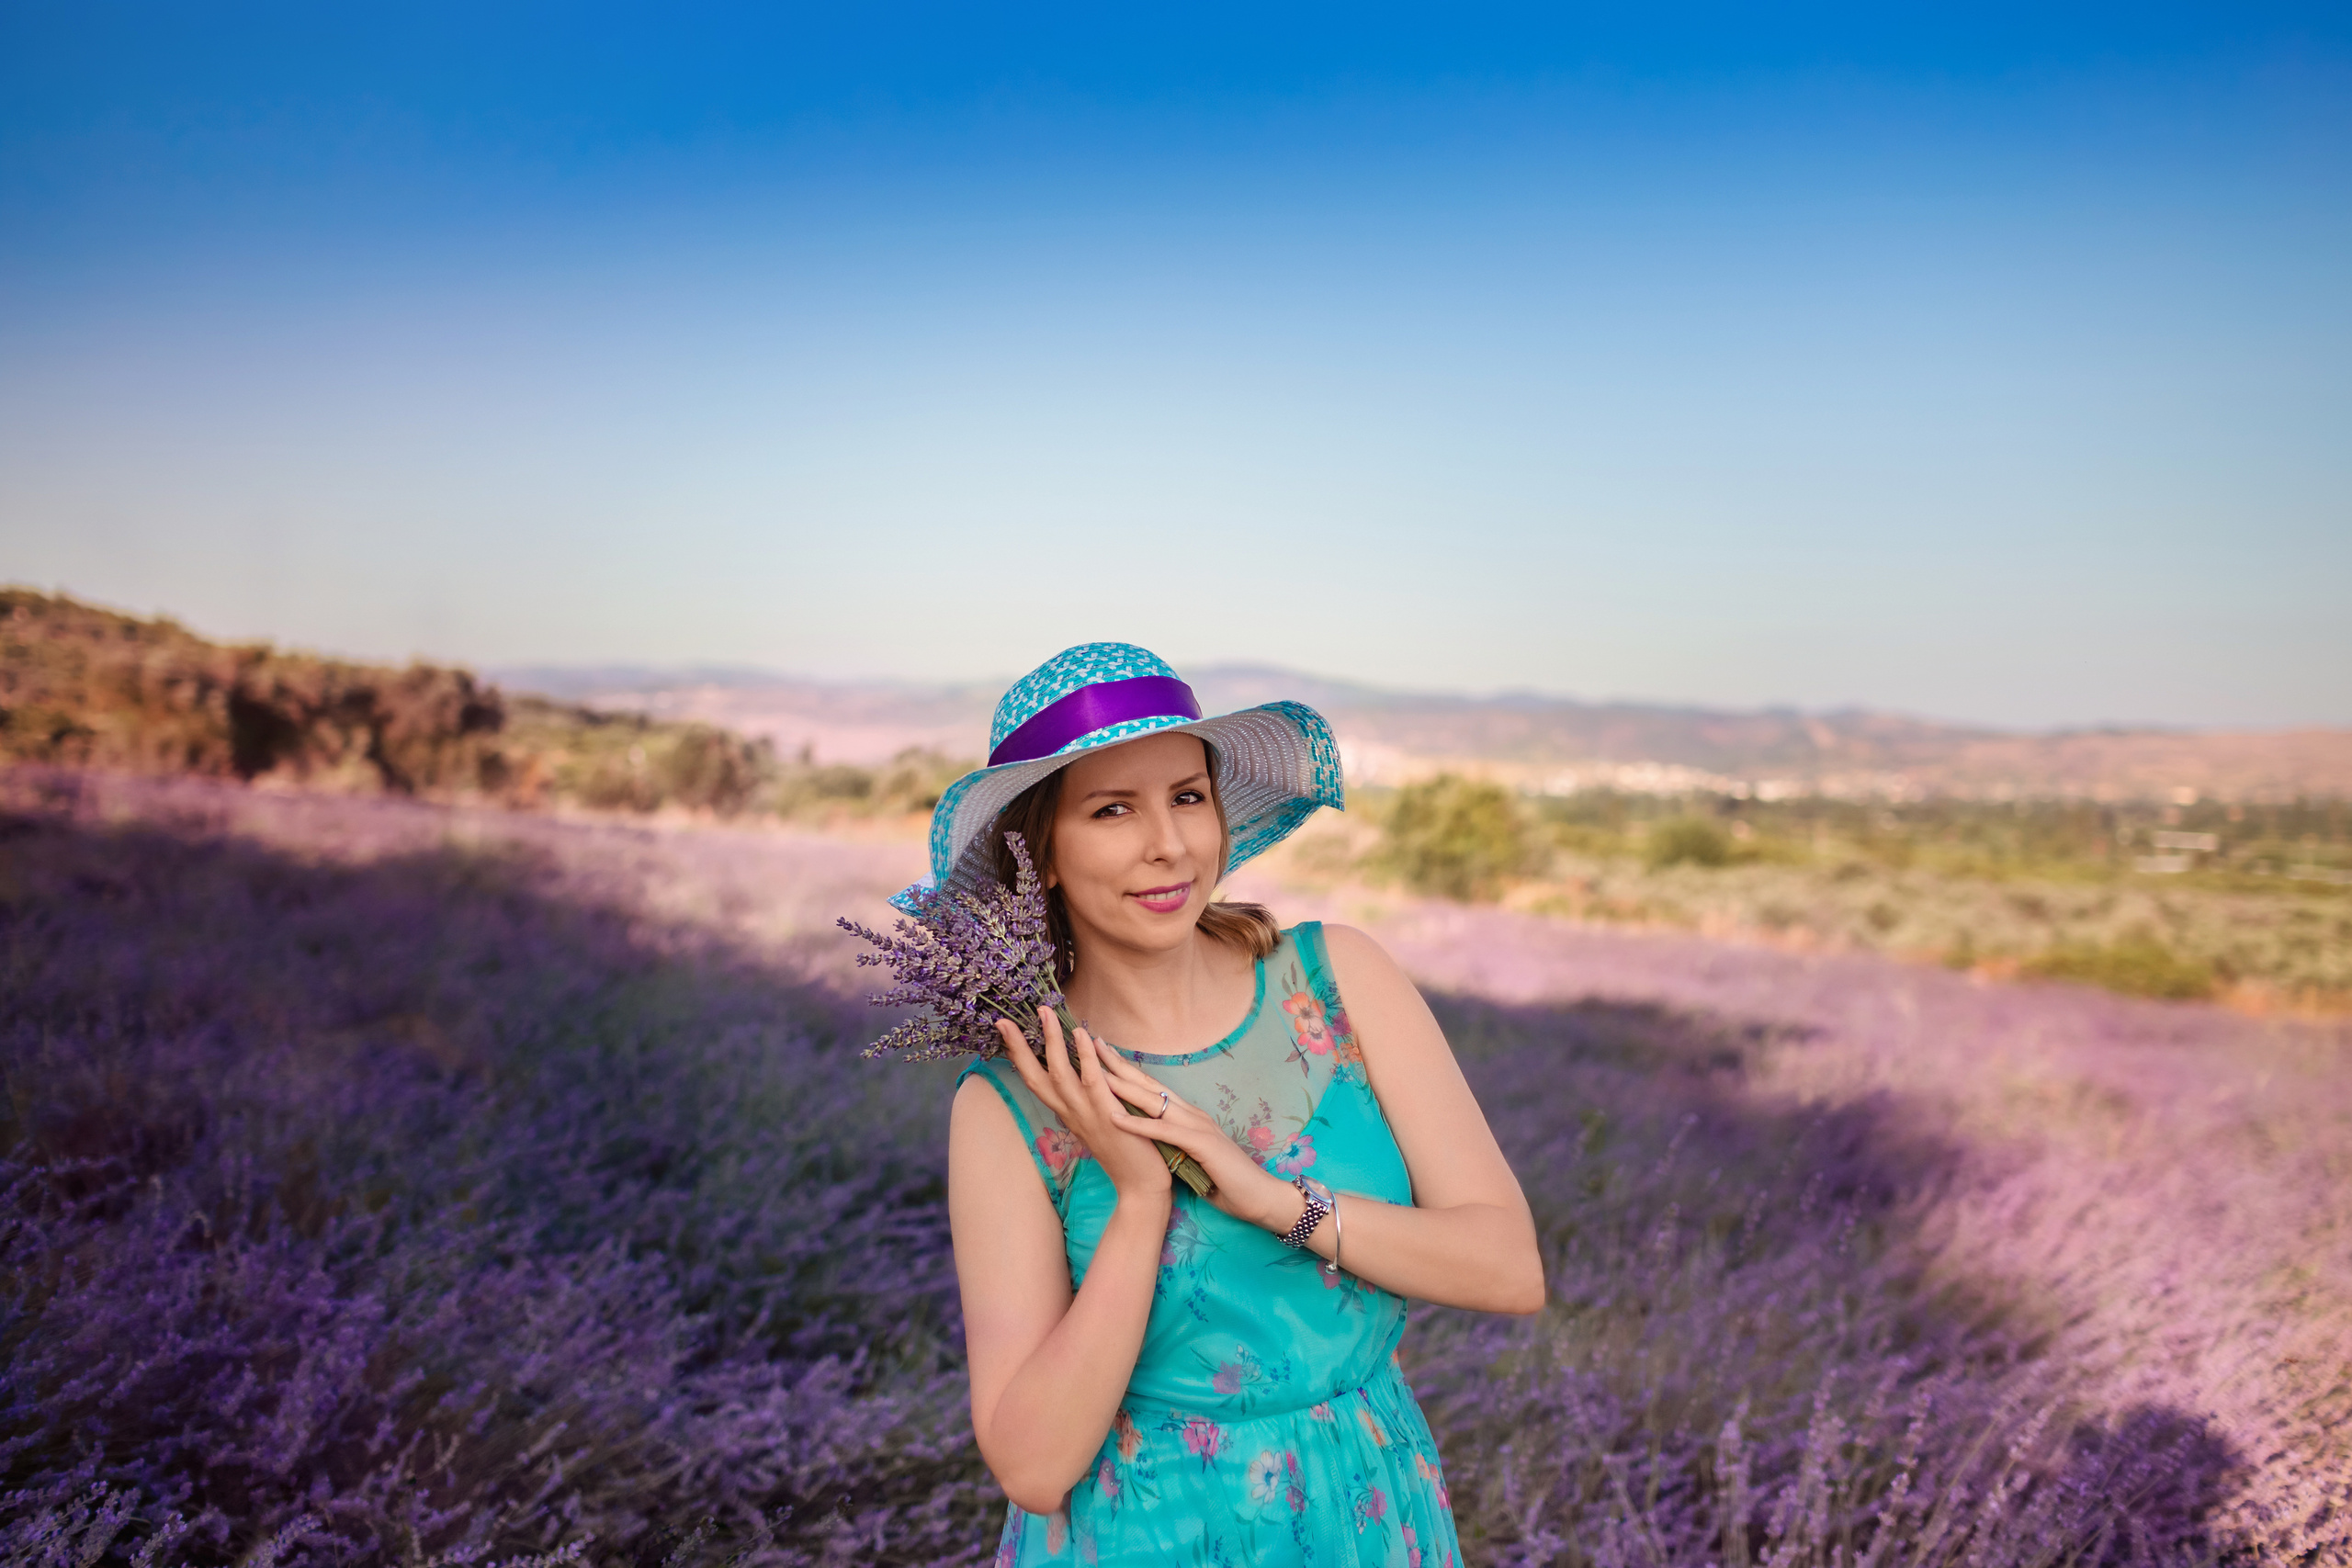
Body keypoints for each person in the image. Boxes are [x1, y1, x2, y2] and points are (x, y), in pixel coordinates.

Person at [911, 644, 1544, 1565]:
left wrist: (1270, 1199)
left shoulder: (1340, 981)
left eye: (1186, 796)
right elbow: (1034, 1469)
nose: (1168, 843)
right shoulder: (1016, 1101)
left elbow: (1508, 1272)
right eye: (1112, 809)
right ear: (1040, 852)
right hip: (1142, 1533)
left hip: (1366, 1509)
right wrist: (1138, 1202)